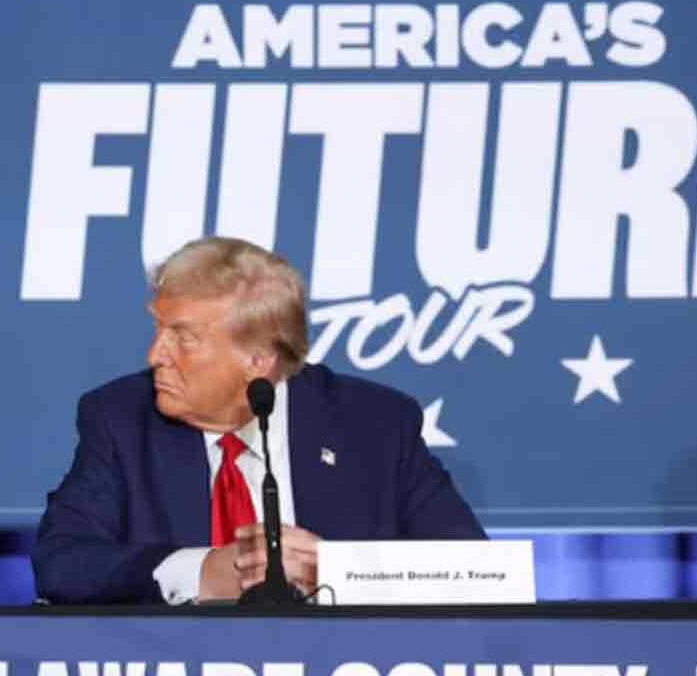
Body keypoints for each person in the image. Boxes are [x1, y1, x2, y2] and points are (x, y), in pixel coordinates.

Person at [32, 236, 484, 604]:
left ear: (258, 360)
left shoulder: (375, 425)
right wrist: (203, 572)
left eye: (183, 338)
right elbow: (61, 563)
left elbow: (477, 572)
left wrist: (338, 573)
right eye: (158, 329)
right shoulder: (121, 417)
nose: (155, 356)